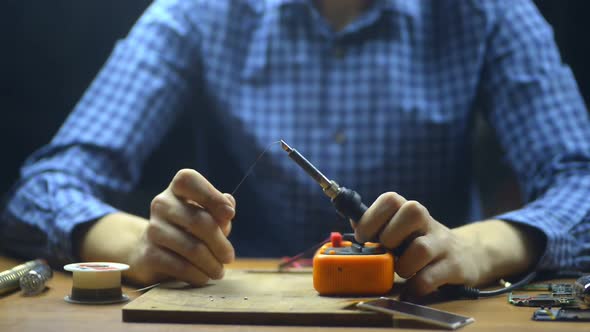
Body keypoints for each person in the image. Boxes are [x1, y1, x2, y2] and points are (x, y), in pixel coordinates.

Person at [2, 0, 590, 297]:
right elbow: (45, 187)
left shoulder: (488, 12)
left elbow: (581, 182)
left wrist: (475, 248)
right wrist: (136, 244)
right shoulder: (197, 12)